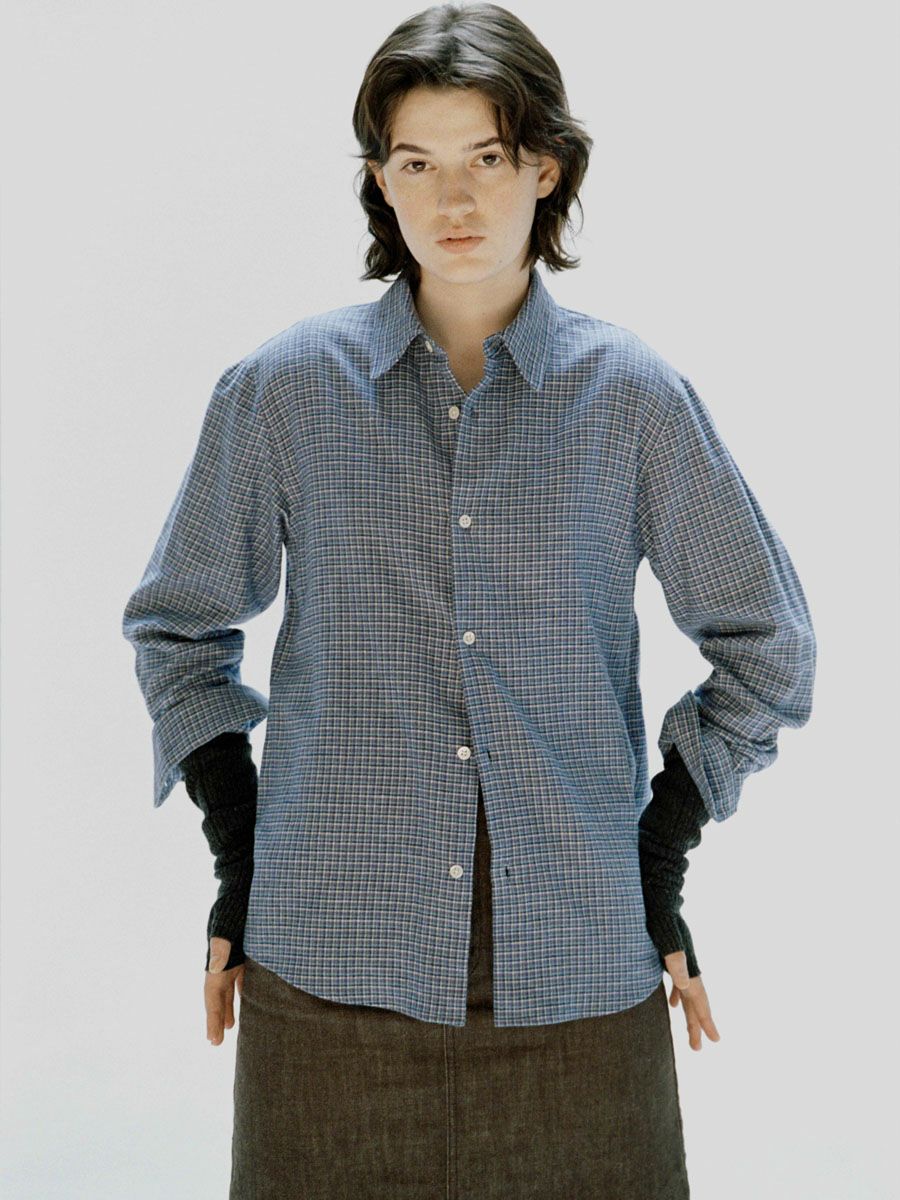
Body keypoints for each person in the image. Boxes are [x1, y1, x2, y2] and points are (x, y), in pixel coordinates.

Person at [121, 4, 817, 1197]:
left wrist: (660, 858)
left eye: (486, 158)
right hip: (326, 981)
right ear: (378, 183)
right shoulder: (284, 392)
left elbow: (769, 646)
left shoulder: (633, 400)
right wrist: (240, 856)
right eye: (416, 163)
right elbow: (178, 631)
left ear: (546, 168)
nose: (454, 200)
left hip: (579, 985)